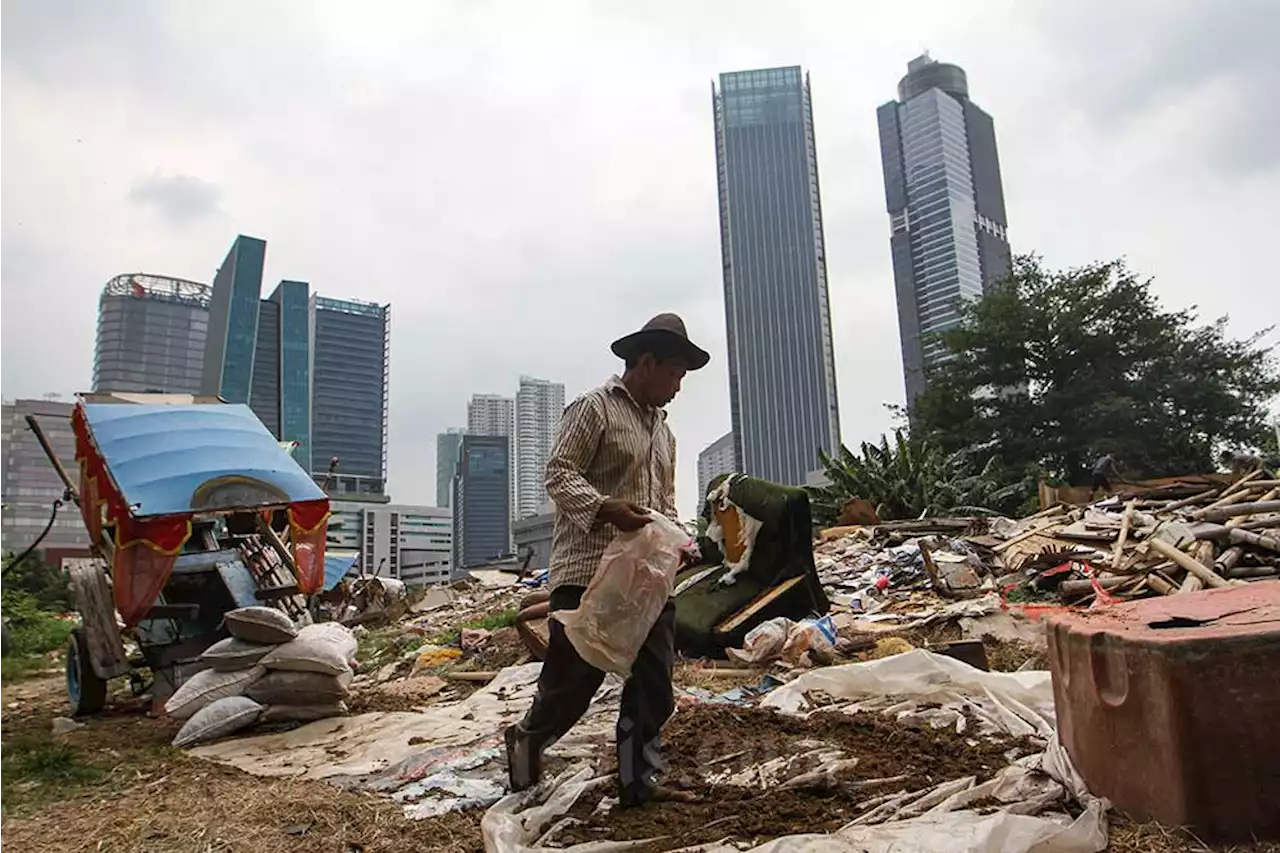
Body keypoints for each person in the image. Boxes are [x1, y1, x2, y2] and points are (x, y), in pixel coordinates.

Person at [505, 313, 708, 807]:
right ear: (646, 362)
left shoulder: (665, 432)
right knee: (573, 683)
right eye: (676, 373)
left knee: (655, 681)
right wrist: (604, 509)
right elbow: (559, 473)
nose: (680, 386)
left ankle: (638, 783)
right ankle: (528, 740)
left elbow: (664, 502)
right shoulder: (593, 409)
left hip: (645, 577)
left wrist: (679, 542)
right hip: (589, 571)